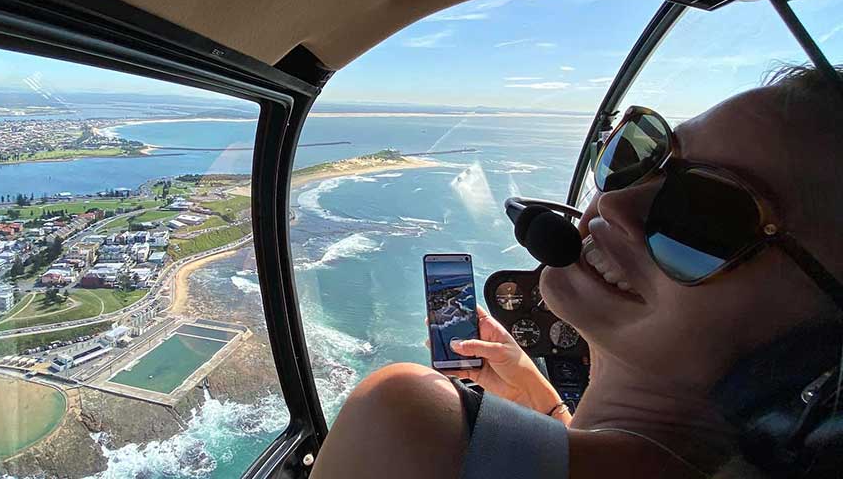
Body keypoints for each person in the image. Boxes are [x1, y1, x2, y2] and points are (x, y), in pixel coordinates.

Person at [310, 65, 843, 479]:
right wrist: (543, 408)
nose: (615, 204)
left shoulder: (413, 423)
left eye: (707, 213)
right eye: (640, 156)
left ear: (819, 347)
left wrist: (481, 435)